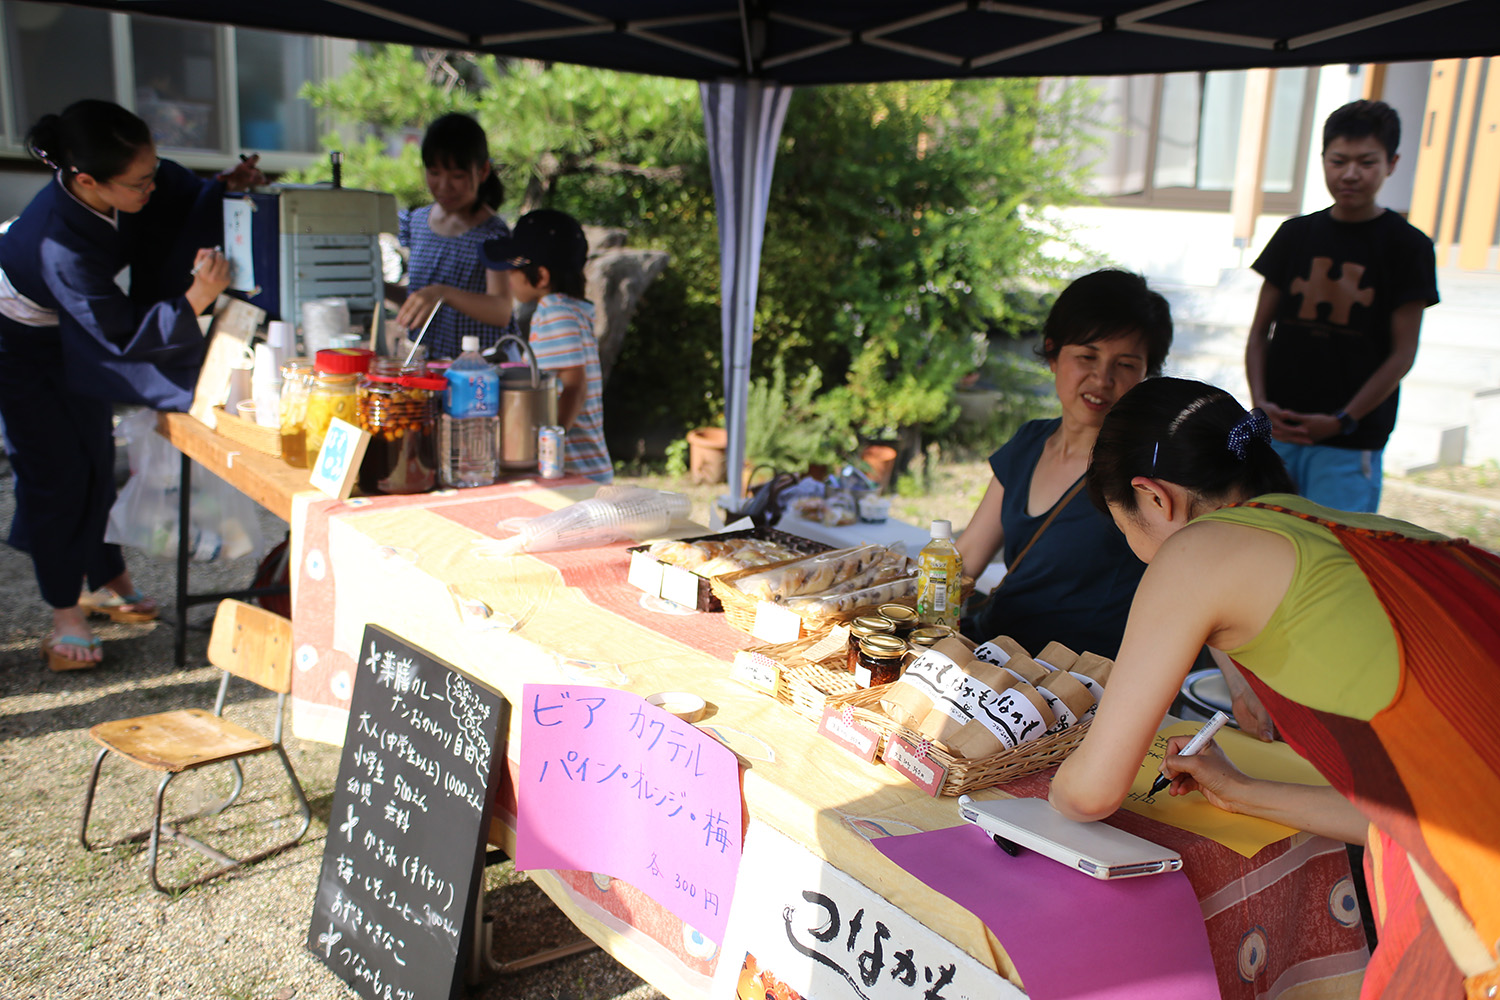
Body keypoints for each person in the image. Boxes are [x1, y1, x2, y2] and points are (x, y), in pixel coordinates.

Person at [1050, 376, 1500, 999]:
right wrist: (1242, 793)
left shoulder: (1196, 551)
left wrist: (1042, 784)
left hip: (1476, 906)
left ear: (1153, 497)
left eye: (1128, 532)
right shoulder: (1360, 531)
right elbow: (1408, 809)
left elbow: (1090, 793)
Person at [0, 99, 261, 669]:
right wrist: (194, 299)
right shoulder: (58, 243)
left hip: (70, 321)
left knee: (96, 457)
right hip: (17, 338)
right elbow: (116, 331)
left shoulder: (129, 184)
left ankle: (106, 576)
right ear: (87, 181)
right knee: (54, 472)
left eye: (152, 169)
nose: (152, 187)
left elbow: (180, 198)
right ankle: (64, 611)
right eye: (139, 182)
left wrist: (222, 186)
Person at [956, 269, 1172, 658]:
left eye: (1125, 364)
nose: (1102, 378)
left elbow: (1193, 578)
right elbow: (967, 556)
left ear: (1146, 375)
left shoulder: (1148, 472)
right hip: (994, 658)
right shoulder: (1028, 441)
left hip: (1076, 680)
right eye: (1087, 356)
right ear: (1053, 355)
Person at [1245, 99, 1439, 513]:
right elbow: (1259, 333)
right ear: (1323, 160)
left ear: (1392, 163)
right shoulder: (1294, 235)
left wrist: (1343, 420)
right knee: (1262, 538)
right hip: (1278, 433)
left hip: (1350, 443)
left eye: (1366, 162)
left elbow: (1402, 354)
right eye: (1338, 161)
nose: (1350, 174)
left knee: (1336, 544)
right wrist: (1261, 405)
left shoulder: (1408, 247)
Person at [482, 209, 610, 483]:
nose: (508, 276)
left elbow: (575, 387)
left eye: (513, 268)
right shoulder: (573, 309)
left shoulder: (554, 311)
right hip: (587, 469)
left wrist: (546, 451)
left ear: (540, 276)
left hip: (573, 472)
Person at [386, 113, 517, 360]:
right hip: (427, 364)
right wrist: (378, 287)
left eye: (457, 176)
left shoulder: (493, 234)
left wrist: (443, 293)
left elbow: (501, 311)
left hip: (478, 368)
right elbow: (421, 298)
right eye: (434, 173)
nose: (444, 185)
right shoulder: (416, 221)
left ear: (482, 171)